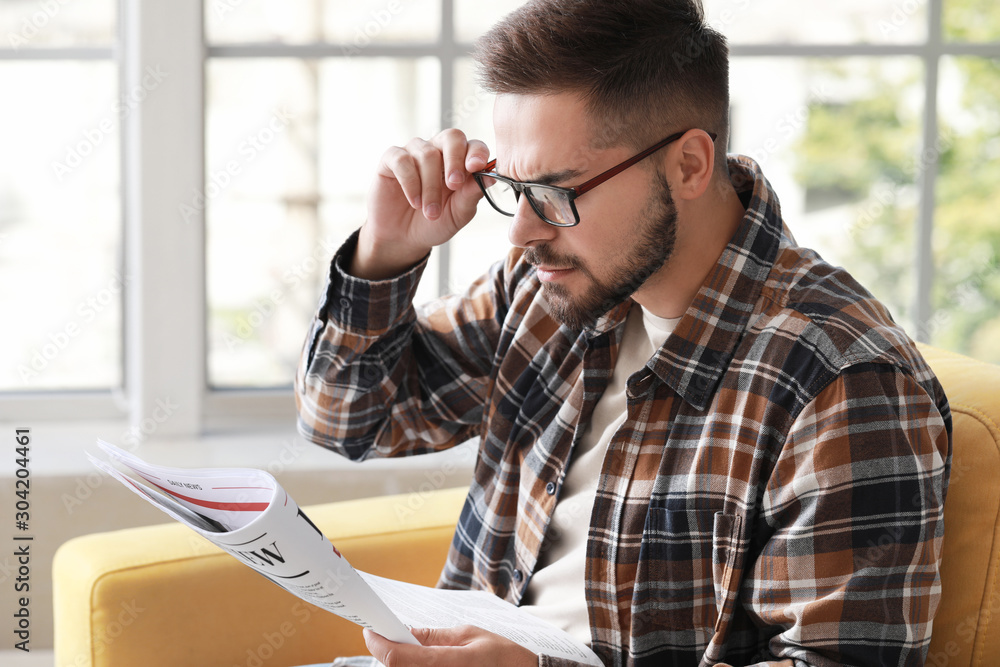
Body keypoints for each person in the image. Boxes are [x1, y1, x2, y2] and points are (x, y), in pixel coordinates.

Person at [294, 1, 952, 665]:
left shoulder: (845, 382)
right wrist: (386, 252)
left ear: (690, 164)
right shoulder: (545, 290)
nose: (522, 230)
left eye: (555, 190)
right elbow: (347, 421)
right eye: (511, 187)